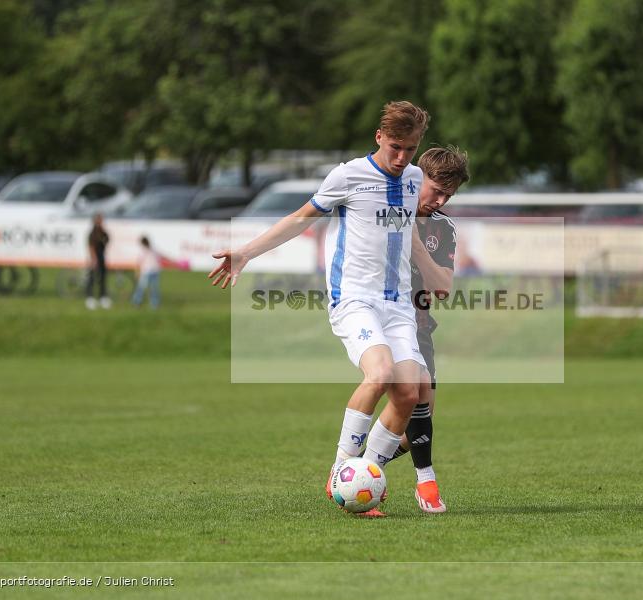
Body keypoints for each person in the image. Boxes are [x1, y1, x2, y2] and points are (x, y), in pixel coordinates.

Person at [209, 100, 431, 517]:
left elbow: (410, 225)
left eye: (411, 149)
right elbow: (299, 219)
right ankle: (340, 472)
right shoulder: (348, 175)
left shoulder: (415, 177)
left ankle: (366, 479)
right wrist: (246, 253)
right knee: (380, 374)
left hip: (397, 304)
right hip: (354, 299)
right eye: (396, 147)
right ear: (379, 138)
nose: (402, 158)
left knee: (410, 392)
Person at [377, 146, 469, 513]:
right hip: (381, 319)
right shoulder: (382, 211)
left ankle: (361, 470)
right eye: (437, 189)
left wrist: (414, 243)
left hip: (420, 323)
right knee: (413, 397)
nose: (441, 199)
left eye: (449, 194)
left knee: (417, 418)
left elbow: (442, 285)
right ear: (418, 178)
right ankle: (426, 483)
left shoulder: (443, 227)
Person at [85, 213, 111, 310]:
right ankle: (90, 298)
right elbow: (91, 247)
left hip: (101, 257)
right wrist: (94, 259)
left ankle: (102, 297)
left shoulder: (102, 231)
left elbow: (107, 239)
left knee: (103, 279)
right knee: (91, 279)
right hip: (94, 259)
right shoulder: (93, 232)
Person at [131, 236, 161, 309]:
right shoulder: (143, 251)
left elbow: (158, 259)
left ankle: (154, 304)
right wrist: (137, 272)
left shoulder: (153, 249)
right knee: (141, 288)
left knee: (154, 289)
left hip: (154, 271)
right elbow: (139, 262)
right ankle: (136, 301)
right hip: (146, 272)